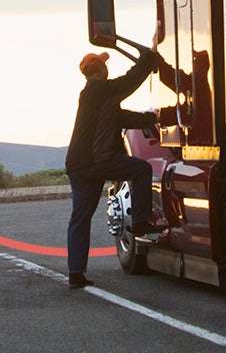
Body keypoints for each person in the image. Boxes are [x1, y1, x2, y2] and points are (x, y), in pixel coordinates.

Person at [64, 45, 167, 289]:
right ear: (100, 69)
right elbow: (129, 82)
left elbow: (121, 118)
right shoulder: (101, 89)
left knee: (80, 218)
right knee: (141, 170)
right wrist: (147, 60)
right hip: (99, 161)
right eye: (104, 64)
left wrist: (152, 118)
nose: (107, 67)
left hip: (77, 165)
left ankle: (76, 274)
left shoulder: (93, 96)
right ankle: (141, 222)